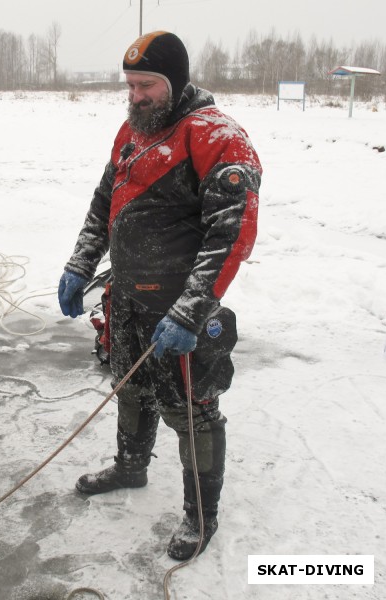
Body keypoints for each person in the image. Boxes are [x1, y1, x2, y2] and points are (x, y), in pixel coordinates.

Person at [58, 31, 261, 560]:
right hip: (126, 297)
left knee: (191, 411)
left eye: (147, 84)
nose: (136, 95)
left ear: (175, 81)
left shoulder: (217, 136)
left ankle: (202, 515)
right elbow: (106, 200)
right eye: (130, 85)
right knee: (130, 386)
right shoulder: (132, 130)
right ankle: (130, 466)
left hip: (179, 307)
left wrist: (191, 310)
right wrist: (81, 263)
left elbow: (231, 233)